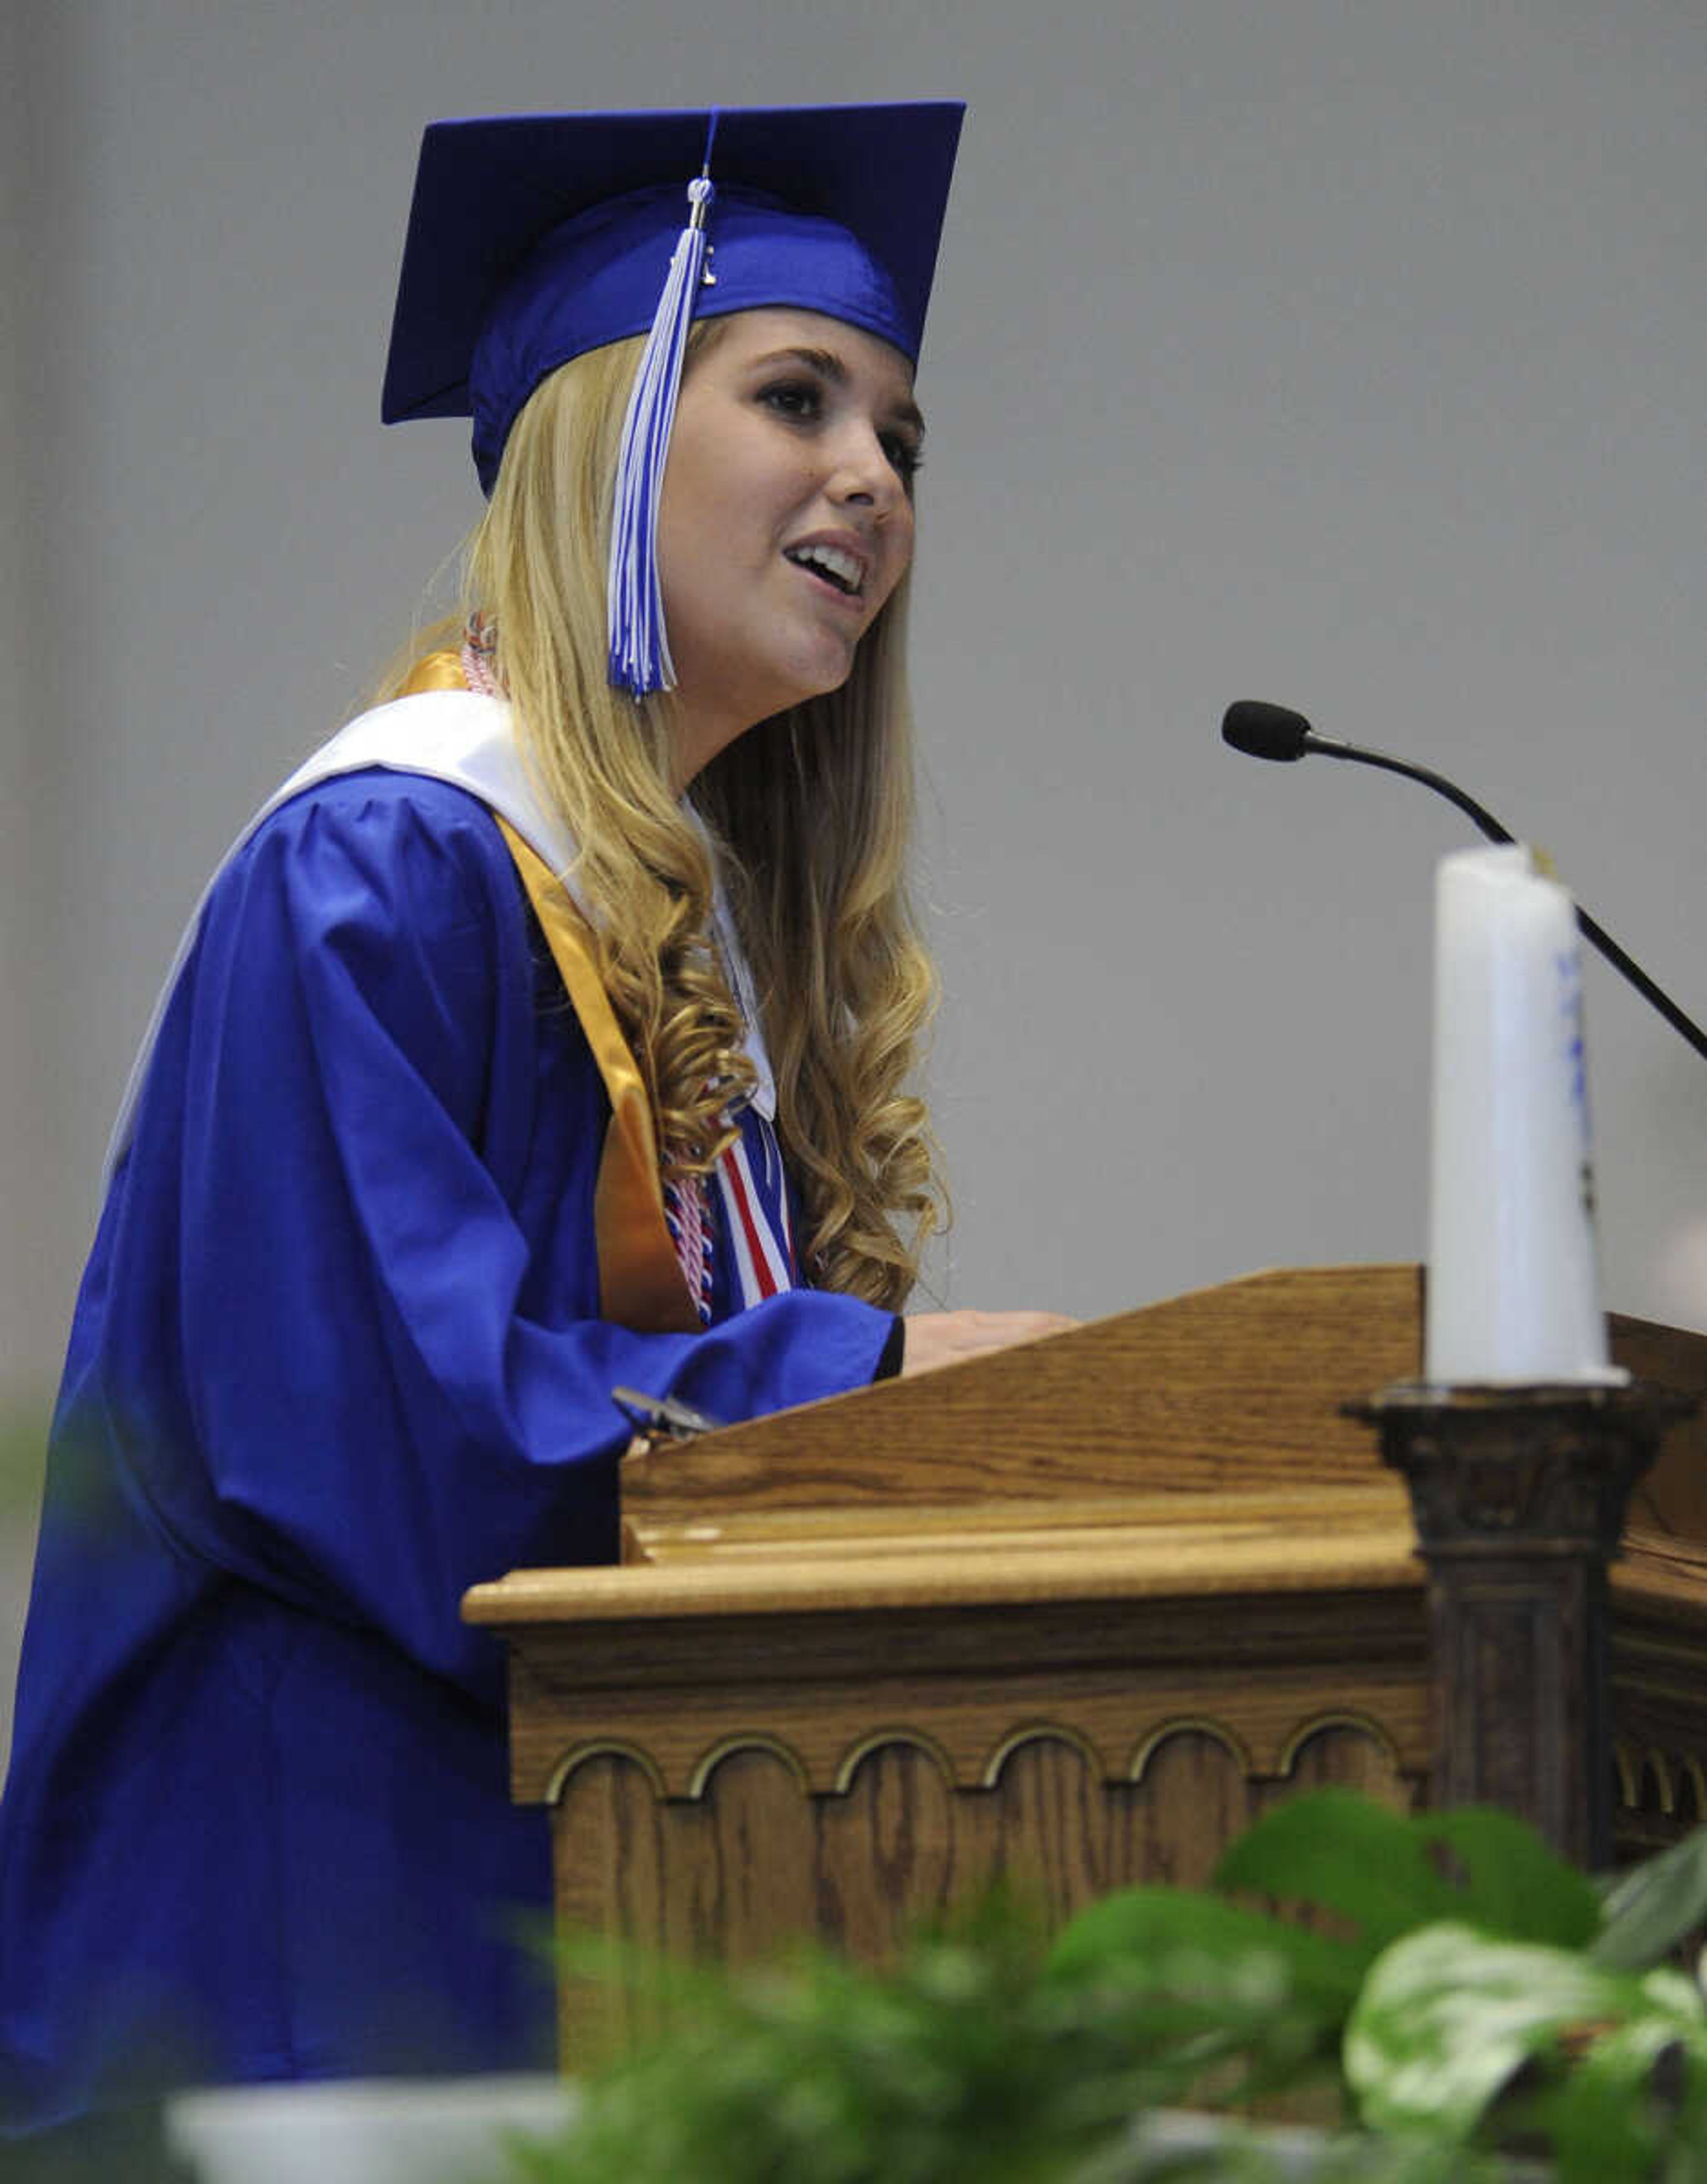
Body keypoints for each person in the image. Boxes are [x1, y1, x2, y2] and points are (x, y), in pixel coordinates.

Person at [0, 102, 1070, 2130]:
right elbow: (412, 1441)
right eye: (799, 397)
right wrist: (885, 1393)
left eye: (902, 439)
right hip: (301, 1978)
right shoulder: (387, 863)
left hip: (573, 1933)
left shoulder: (655, 930)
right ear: (611, 428)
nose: (876, 477)